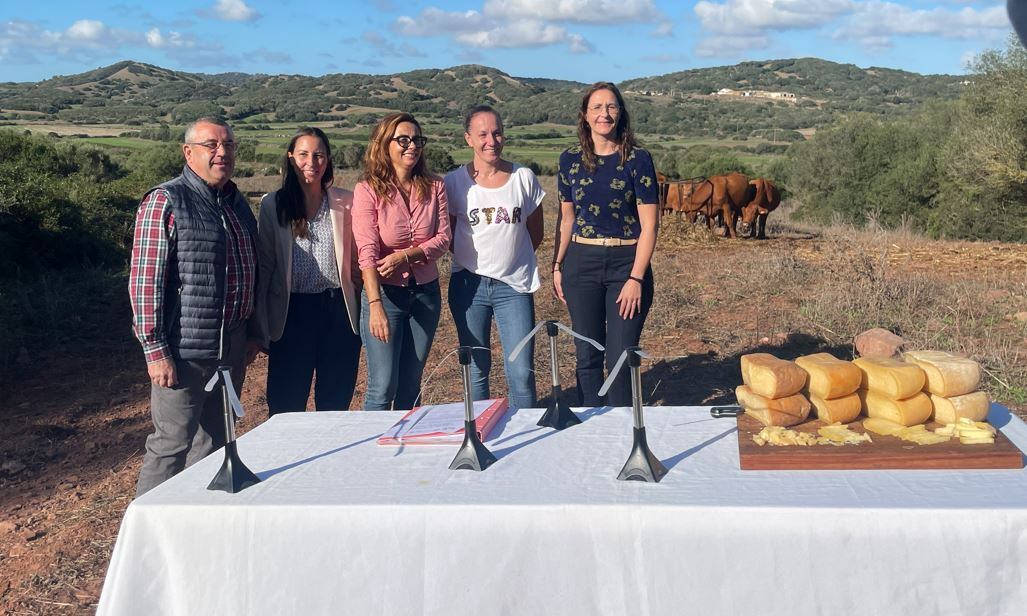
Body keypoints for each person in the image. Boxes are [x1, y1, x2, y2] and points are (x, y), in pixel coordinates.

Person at [129, 117, 258, 496]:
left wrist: (251, 333)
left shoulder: (237, 204)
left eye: (229, 145)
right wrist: (155, 352)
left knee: (216, 442)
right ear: (188, 152)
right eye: (211, 145)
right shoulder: (166, 201)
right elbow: (144, 283)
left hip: (230, 349)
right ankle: (145, 537)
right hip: (184, 352)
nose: (222, 152)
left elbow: (250, 272)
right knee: (171, 445)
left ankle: (198, 525)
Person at [552, 82, 660, 407]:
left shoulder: (637, 159)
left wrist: (636, 278)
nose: (604, 113)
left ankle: (620, 430)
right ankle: (589, 429)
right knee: (586, 354)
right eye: (597, 107)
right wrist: (557, 265)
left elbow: (650, 225)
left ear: (621, 113)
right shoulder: (569, 160)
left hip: (626, 263)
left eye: (611, 107)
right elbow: (566, 219)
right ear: (585, 115)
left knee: (620, 358)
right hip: (580, 262)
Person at [251, 127, 362, 414]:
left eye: (318, 155)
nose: (311, 162)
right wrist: (261, 325)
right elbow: (265, 266)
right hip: (291, 313)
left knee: (335, 402)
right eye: (303, 154)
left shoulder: (346, 201)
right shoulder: (272, 205)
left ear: (327, 161)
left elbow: (358, 259)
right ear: (290, 158)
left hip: (338, 311)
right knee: (286, 404)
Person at [446, 105, 544, 409]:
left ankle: (526, 438)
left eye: (497, 132)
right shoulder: (454, 183)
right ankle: (479, 436)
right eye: (483, 134)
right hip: (468, 286)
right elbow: (448, 235)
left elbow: (535, 232)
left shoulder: (523, 178)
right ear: (468, 139)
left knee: (521, 372)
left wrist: (510, 261)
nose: (492, 140)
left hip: (513, 287)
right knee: (476, 369)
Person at [352, 112, 451, 410]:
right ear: (385, 144)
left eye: (417, 139)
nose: (412, 146)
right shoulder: (367, 189)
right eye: (403, 140)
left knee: (411, 383)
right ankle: (371, 451)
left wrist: (405, 256)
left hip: (426, 294)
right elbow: (367, 252)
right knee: (382, 387)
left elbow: (443, 238)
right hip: (385, 296)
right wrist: (375, 306)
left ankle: (408, 448)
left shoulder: (435, 187)